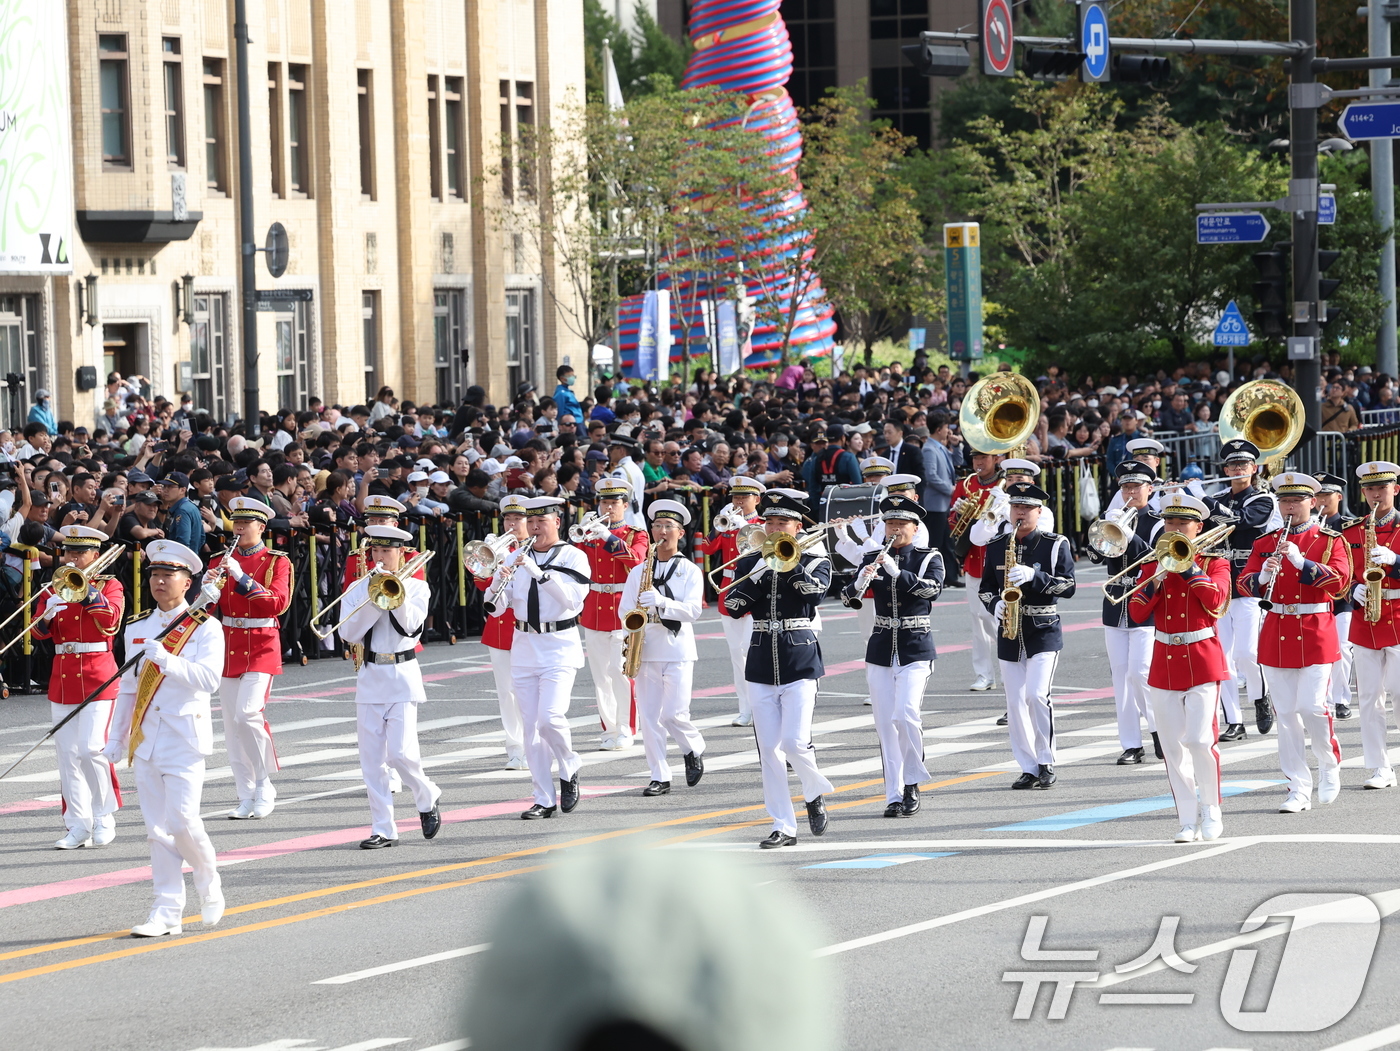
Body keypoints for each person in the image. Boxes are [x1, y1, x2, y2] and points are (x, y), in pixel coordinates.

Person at [102, 540, 226, 937]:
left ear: (187, 582)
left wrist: (168, 661)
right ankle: (166, 910)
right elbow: (127, 689)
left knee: (183, 821)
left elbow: (209, 680)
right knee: (157, 830)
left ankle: (209, 881)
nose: (159, 581)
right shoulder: (137, 627)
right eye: (154, 574)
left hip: (184, 735)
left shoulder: (206, 627)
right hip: (147, 737)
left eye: (168, 574)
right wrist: (118, 737)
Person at [723, 488, 833, 848]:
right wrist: (756, 570)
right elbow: (734, 606)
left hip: (799, 656)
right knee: (768, 750)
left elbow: (813, 594)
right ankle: (783, 825)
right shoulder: (749, 560)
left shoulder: (815, 558)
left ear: (798, 526)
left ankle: (813, 792)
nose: (773, 529)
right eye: (769, 522)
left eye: (782, 522)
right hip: (759, 659)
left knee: (794, 742)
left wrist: (787, 563)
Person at [1238, 473, 1350, 812]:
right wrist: (1261, 576)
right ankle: (1297, 786)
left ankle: (1329, 763)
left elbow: (1341, 582)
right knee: (1285, 713)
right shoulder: (1265, 541)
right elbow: (1243, 584)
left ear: (1311, 503)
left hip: (1315, 627)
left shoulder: (1330, 540)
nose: (1290, 507)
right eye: (1285, 501)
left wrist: (1303, 563)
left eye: (1297, 501)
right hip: (1277, 628)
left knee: (1312, 706)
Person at [1128, 493, 1231, 842]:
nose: (1173, 528)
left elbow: (1217, 601)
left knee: (1201, 740)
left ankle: (1211, 809)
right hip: (1164, 662)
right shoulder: (1152, 562)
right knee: (1172, 747)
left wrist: (1189, 568)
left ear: (1197, 526)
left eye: (1181, 523)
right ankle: (1187, 818)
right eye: (1169, 522)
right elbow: (1136, 613)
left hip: (1202, 657)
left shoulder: (1215, 561)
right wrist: (1156, 578)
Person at [336, 524, 442, 848]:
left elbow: (412, 628)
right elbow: (348, 634)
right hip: (369, 676)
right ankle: (383, 827)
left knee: (400, 754)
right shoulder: (358, 588)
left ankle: (427, 795)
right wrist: (371, 598)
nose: (380, 558)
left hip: (402, 675)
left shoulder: (416, 587)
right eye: (376, 552)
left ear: (401, 554)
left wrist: (391, 595)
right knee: (371, 760)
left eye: (387, 551)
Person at [486, 495, 591, 819]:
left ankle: (569, 762)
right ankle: (543, 797)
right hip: (524, 646)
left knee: (550, 718)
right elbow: (497, 606)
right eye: (529, 522)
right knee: (531, 728)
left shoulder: (573, 556)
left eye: (540, 521)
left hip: (559, 645)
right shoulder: (518, 556)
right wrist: (497, 580)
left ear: (556, 522)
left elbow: (571, 602)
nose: (533, 528)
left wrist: (538, 572)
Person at [841, 494, 943, 818]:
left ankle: (913, 780)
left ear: (915, 528)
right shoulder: (873, 554)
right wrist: (858, 582)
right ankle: (893, 795)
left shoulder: (929, 557)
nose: (894, 530)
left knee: (906, 714)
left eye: (901, 524)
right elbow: (848, 597)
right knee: (886, 724)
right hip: (882, 645)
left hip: (915, 645)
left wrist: (898, 573)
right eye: (889, 524)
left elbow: (933, 590)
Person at [31, 525, 125, 849]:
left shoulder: (109, 585)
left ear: (94, 556)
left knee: (92, 748)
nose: (72, 557)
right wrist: (46, 615)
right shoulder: (52, 587)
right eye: (69, 551)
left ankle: (104, 816)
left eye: (80, 552)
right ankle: (77, 824)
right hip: (63, 675)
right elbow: (38, 633)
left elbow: (111, 621)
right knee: (67, 755)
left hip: (99, 674)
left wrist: (85, 593)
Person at [981, 482, 1076, 790]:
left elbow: (1069, 586)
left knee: (1037, 695)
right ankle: (1028, 766)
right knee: (1015, 702)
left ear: (1039, 511)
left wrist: (1037, 576)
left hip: (1043, 628)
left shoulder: (1054, 544)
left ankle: (1047, 760)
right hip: (1009, 630)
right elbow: (985, 589)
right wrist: (994, 604)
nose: (1020, 513)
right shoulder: (997, 545)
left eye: (1026, 508)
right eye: (1015, 507)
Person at [205, 497, 292, 820]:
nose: (238, 529)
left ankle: (264, 783)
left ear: (261, 527)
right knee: (231, 726)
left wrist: (241, 579)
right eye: (235, 523)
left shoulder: (276, 561)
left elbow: (277, 603)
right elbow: (205, 611)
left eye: (246, 523)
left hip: (262, 643)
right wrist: (205, 592)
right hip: (228, 644)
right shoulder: (219, 561)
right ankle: (245, 793)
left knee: (247, 714)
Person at [618, 499, 706, 797]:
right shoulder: (638, 571)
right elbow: (625, 611)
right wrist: (635, 620)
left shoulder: (690, 571)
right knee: (649, 717)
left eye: (669, 527)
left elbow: (694, 611)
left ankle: (692, 747)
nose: (662, 532)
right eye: (657, 526)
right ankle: (659, 775)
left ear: (680, 533)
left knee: (673, 715)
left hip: (677, 648)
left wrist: (662, 603)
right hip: (646, 648)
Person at [1087, 461, 1164, 764]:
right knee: (1120, 676)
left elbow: (1155, 557)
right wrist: (1107, 530)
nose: (1130, 492)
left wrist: (1129, 535)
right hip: (1116, 602)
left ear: (1150, 489)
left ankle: (1159, 728)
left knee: (1139, 672)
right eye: (1125, 487)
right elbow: (1095, 555)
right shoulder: (1111, 517)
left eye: (1136, 486)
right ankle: (1132, 743)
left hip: (1145, 601)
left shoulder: (1157, 523)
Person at [1212, 438, 1281, 739]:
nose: (1238, 469)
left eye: (1243, 465)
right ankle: (1234, 720)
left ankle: (1260, 697)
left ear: (1254, 468)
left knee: (1246, 652)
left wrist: (1204, 504)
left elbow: (1243, 522)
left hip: (1247, 582)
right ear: (1225, 468)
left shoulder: (1263, 500)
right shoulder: (1217, 498)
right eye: (1232, 465)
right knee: (1222, 657)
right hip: (1218, 583)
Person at [576, 478, 649, 749]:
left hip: (622, 606)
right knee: (600, 675)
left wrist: (607, 537)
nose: (608, 507)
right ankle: (609, 728)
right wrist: (586, 534)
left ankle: (627, 728)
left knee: (620, 671)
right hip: (594, 606)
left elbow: (637, 561)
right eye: (604, 502)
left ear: (625, 505)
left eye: (614, 502)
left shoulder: (635, 533)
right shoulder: (590, 534)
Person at [1341, 461, 1400, 790]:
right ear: (1363, 492)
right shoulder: (1352, 532)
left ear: (1396, 489)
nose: (1376, 494)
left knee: (1399, 692)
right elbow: (1339, 576)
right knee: (1368, 698)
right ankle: (1380, 766)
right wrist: (1352, 589)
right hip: (1366, 621)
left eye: (1382, 487)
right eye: (1370, 489)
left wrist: (1396, 562)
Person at [698, 476, 766, 727]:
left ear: (756, 500)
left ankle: (759, 705)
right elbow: (707, 549)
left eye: (744, 497)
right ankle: (745, 708)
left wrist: (743, 528)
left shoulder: (763, 523)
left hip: (755, 589)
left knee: (752, 651)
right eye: (735, 496)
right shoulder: (727, 523)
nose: (738, 501)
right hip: (730, 591)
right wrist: (719, 526)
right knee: (737, 654)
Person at [475, 495, 529, 770]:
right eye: (508, 518)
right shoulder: (497, 546)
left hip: (530, 624)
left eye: (517, 519)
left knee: (530, 691)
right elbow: (481, 583)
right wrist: (489, 561)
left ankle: (534, 745)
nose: (512, 523)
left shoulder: (537, 547)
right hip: (499, 626)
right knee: (506, 691)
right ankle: (515, 749)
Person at [949, 447, 1005, 691]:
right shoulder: (965, 485)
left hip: (999, 558)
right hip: (974, 558)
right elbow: (953, 523)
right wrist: (958, 512)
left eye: (984, 457)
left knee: (994, 616)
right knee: (977, 618)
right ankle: (984, 674)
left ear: (996, 459)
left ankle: (1008, 665)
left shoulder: (1005, 483)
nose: (979, 462)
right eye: (975, 458)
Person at [1316, 472, 1356, 719]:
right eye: (1317, 494)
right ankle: (1324, 698)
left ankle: (1341, 699)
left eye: (1326, 494)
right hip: (1314, 597)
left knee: (1342, 648)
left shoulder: (1351, 526)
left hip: (1343, 597)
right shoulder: (1307, 526)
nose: (1321, 499)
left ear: (1338, 497)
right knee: (1319, 652)